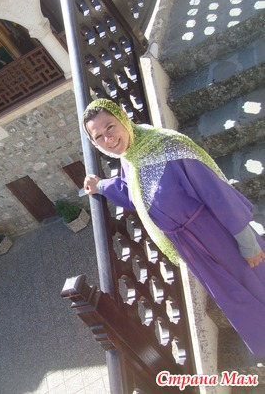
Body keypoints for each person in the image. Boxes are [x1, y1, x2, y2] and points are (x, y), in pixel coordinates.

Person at [82, 98, 265, 358]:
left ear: (123, 116)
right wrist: (100, 186)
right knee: (234, 299)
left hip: (217, 233)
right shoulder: (130, 158)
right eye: (98, 137)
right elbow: (134, 193)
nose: (108, 139)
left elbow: (217, 194)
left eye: (109, 127)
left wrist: (247, 243)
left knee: (255, 283)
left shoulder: (166, 146)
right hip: (192, 248)